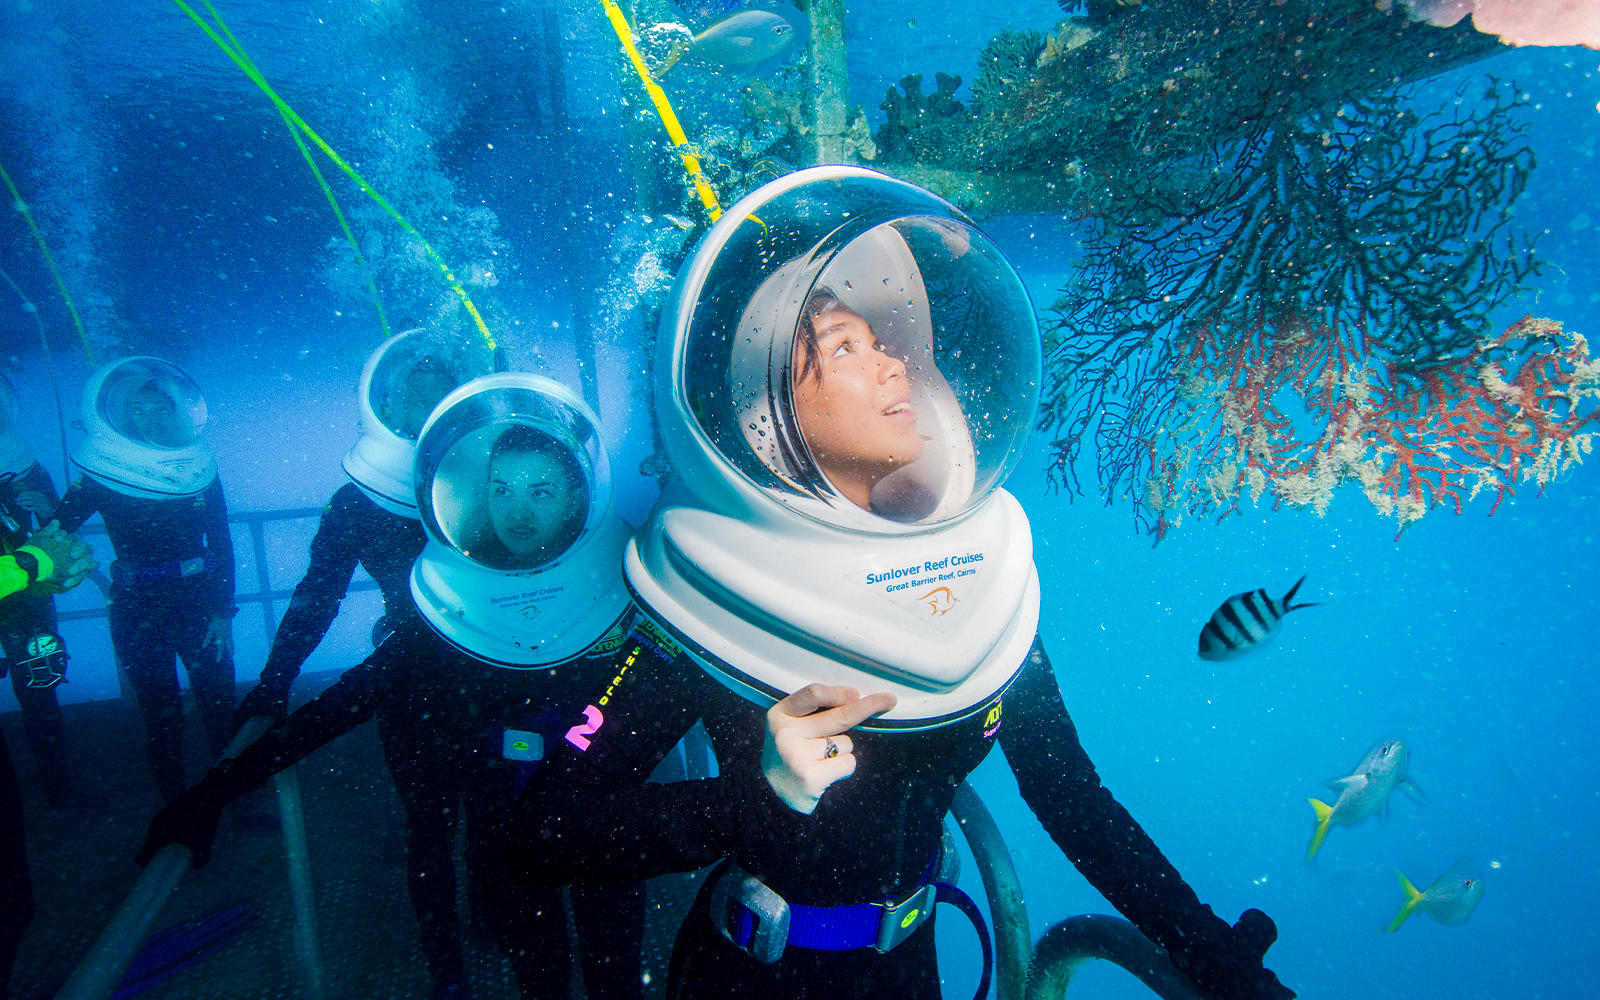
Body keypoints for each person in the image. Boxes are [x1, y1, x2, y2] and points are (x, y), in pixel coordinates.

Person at [501, 167, 1294, 999]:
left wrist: (1206, 948)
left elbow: (1074, 800)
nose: (893, 368)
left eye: (886, 344)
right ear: (766, 408)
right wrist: (751, 801)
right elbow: (546, 832)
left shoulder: (973, 591)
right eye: (846, 348)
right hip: (749, 976)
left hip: (912, 971)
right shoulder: (712, 601)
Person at [140, 374, 647, 1000]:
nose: (518, 511)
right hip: (508, 823)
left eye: (542, 490)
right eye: (501, 490)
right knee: (538, 970)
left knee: (614, 966)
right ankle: (455, 974)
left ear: (579, 494)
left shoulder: (628, 585)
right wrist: (212, 794)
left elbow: (679, 681)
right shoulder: (455, 605)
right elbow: (345, 702)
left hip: (603, 815)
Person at [234, 327, 492, 726]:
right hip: (409, 661)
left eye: (440, 399)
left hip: (495, 649)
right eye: (416, 398)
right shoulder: (356, 505)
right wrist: (274, 681)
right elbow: (318, 596)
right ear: (387, 408)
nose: (428, 410)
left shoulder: (495, 482)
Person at [52, 357, 238, 803]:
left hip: (197, 604)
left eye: (159, 407)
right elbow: (58, 529)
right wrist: (38, 513)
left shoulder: (200, 470)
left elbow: (223, 543)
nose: (151, 416)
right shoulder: (101, 474)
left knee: (219, 710)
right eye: (139, 409)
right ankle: (175, 811)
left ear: (177, 409)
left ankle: (236, 803)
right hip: (137, 607)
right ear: (119, 415)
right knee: (161, 715)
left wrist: (221, 611)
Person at [2, 514, 97, 1000]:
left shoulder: (13, 492)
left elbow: (45, 558)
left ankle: (59, 789)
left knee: (13, 900)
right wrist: (36, 561)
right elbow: (31, 562)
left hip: (23, 624)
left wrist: (54, 562)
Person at [0, 376, 106, 810]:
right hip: (25, 589)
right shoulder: (22, 459)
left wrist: (46, 513)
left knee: (40, 684)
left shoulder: (23, 460)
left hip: (27, 595)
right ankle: (55, 790)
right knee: (39, 686)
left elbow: (57, 529)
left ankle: (58, 789)